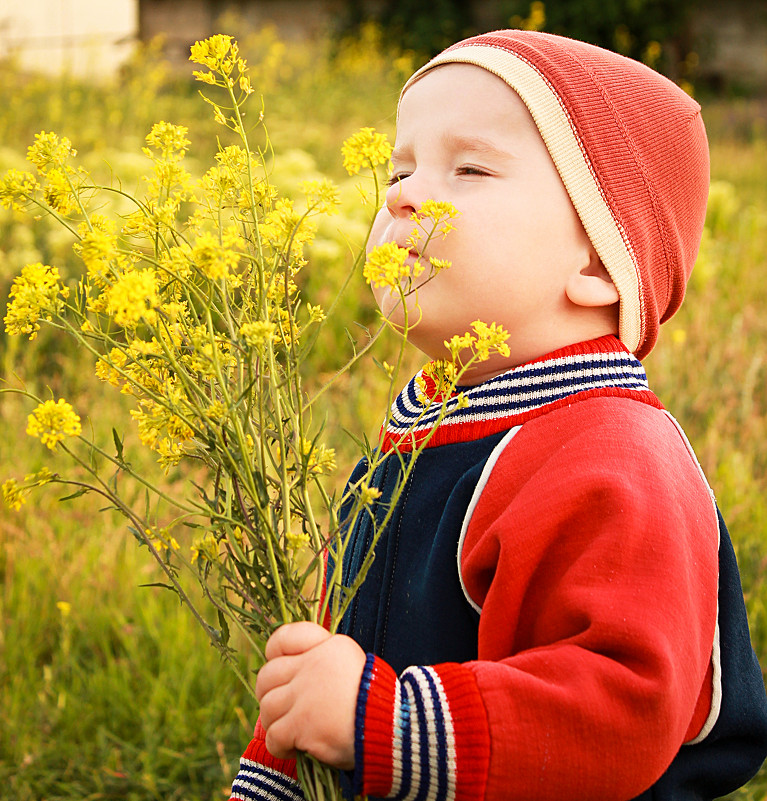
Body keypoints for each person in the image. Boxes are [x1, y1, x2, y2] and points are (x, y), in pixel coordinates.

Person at [229, 29, 767, 801]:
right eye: (401, 167)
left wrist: (374, 720)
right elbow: (324, 672)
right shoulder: (417, 434)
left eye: (469, 167)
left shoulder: (614, 452)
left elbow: (621, 707)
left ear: (594, 260)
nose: (400, 194)